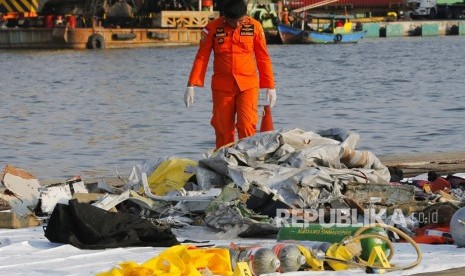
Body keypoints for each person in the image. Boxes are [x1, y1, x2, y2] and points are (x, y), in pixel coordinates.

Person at [184, 0, 276, 149]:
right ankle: (223, 162)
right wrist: (191, 84)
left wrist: (270, 86)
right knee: (223, 129)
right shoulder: (212, 28)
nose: (238, 25)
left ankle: (246, 160)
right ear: (225, 18)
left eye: (241, 21)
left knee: (247, 125)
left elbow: (263, 57)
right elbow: (202, 57)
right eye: (233, 22)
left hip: (248, 86)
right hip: (222, 88)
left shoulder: (255, 27)